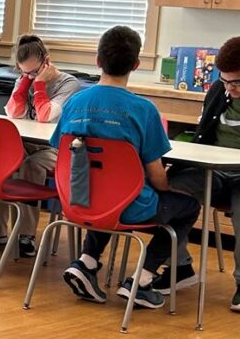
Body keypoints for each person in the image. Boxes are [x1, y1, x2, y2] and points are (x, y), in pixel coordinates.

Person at [52, 26, 199, 309]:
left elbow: (59, 150)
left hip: (78, 199)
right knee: (187, 207)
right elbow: (157, 176)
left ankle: (87, 261)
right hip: (126, 205)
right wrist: (168, 187)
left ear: (97, 61)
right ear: (136, 64)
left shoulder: (74, 102)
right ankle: (142, 280)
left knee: (107, 193)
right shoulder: (143, 110)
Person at [166, 36, 240, 313]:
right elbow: (203, 137)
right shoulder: (219, 91)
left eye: (238, 82)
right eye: (226, 80)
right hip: (216, 170)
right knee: (173, 188)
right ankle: (180, 266)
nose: (231, 88)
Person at [0, 35, 81, 257]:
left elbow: (45, 116)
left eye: (34, 72)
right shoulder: (25, 79)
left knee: (32, 165)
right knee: (2, 159)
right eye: (24, 73)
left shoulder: (68, 84)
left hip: (55, 149)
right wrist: (24, 83)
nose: (30, 77)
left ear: (47, 62)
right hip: (26, 142)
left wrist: (40, 84)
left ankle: (26, 235)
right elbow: (14, 112)